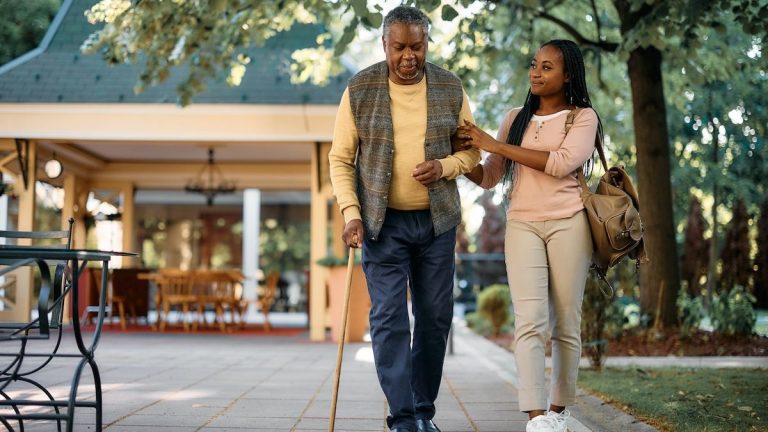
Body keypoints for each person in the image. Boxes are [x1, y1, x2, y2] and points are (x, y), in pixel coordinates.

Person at [328, 6, 480, 432]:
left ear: (427, 43)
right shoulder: (360, 89)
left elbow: (472, 152)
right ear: (385, 45)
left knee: (434, 318)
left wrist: (445, 167)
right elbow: (341, 159)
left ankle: (422, 409)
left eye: (417, 46)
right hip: (382, 223)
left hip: (437, 223)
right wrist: (351, 213)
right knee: (389, 318)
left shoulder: (451, 87)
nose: (409, 56)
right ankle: (403, 418)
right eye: (400, 47)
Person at [457, 39, 601, 432]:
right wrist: (460, 159)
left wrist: (495, 143)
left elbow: (560, 164)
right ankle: (536, 416)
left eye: (547, 67)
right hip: (522, 224)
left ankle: (559, 408)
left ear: (568, 74)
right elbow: (489, 176)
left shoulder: (583, 118)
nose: (535, 73)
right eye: (534, 65)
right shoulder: (514, 118)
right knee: (530, 321)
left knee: (567, 323)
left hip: (569, 223)